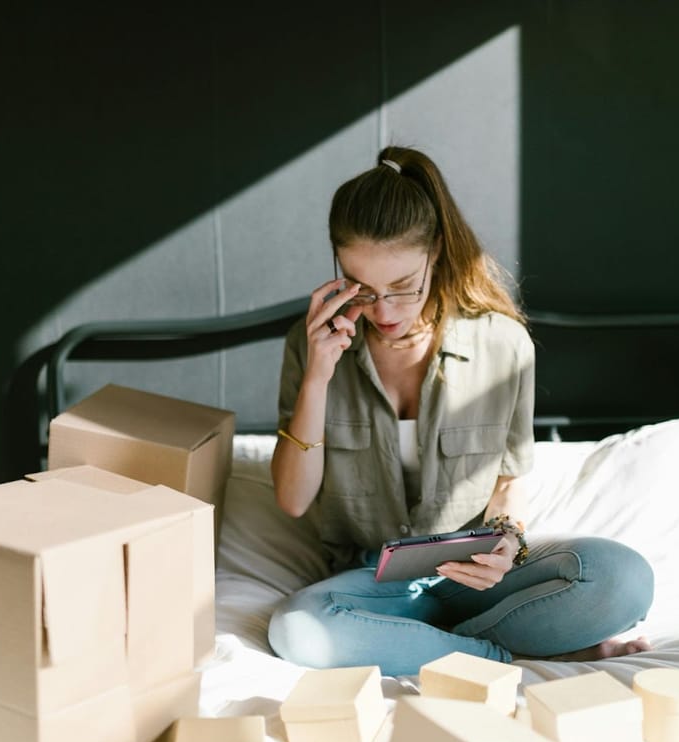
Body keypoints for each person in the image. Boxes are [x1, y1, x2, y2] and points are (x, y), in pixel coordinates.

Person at [266, 145, 654, 676]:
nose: (384, 312)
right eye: (364, 289)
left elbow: (508, 483)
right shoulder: (309, 346)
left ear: (438, 253)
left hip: (473, 577)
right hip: (371, 584)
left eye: (404, 288)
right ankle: (502, 657)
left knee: (623, 578)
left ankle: (421, 647)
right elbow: (293, 499)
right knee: (298, 626)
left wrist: (509, 549)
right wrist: (317, 376)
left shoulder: (503, 345)